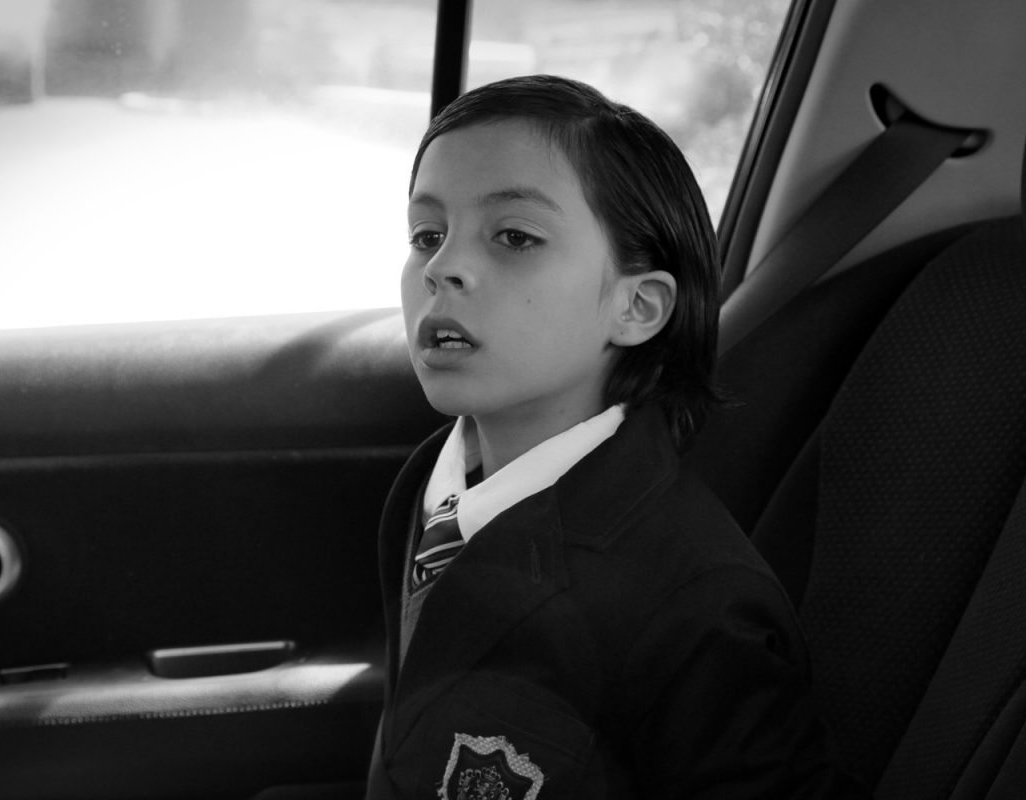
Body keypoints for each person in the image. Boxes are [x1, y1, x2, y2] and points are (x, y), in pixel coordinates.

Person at [366, 74, 867, 799]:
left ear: (637, 308)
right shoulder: (429, 487)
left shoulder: (698, 609)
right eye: (427, 235)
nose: (443, 269)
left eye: (514, 236)